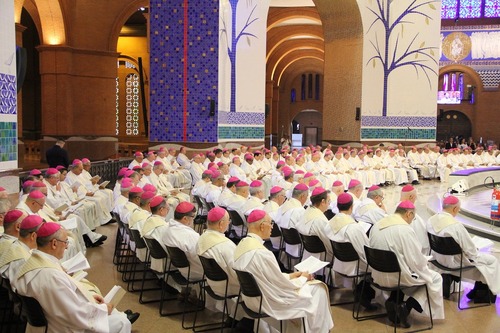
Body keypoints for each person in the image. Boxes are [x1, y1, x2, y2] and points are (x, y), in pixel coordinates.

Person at [15, 222, 136, 333]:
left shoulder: (33, 261)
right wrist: (104, 309)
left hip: (44, 323)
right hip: (59, 328)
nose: (67, 247)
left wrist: (87, 298)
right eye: (65, 242)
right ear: (54, 243)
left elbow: (60, 300)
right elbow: (73, 314)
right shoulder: (51, 276)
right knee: (121, 322)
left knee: (106, 309)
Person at [232, 209, 334, 332]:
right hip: (269, 302)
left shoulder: (242, 245)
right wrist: (303, 278)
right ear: (262, 226)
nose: (272, 227)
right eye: (271, 223)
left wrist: (293, 275)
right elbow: (280, 286)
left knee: (313, 287)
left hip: (251, 299)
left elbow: (269, 278)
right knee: (319, 289)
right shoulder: (262, 253)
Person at [370, 201, 444, 327]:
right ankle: (406, 307)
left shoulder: (377, 225)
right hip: (397, 277)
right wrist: (424, 263)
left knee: (406, 269)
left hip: (377, 274)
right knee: (435, 278)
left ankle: (394, 300)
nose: (411, 221)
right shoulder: (404, 229)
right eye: (413, 218)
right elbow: (416, 260)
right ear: (409, 214)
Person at [427, 195, 500, 302]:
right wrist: (476, 250)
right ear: (455, 209)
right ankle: (485, 293)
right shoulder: (456, 226)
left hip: (438, 260)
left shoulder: (431, 220)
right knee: (492, 261)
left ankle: (478, 288)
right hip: (456, 263)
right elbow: (471, 251)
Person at [324, 193, 375, 310]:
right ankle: (363, 292)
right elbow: (364, 250)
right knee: (377, 265)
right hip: (354, 266)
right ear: (351, 207)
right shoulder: (353, 228)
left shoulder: (329, 223)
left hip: (338, 262)